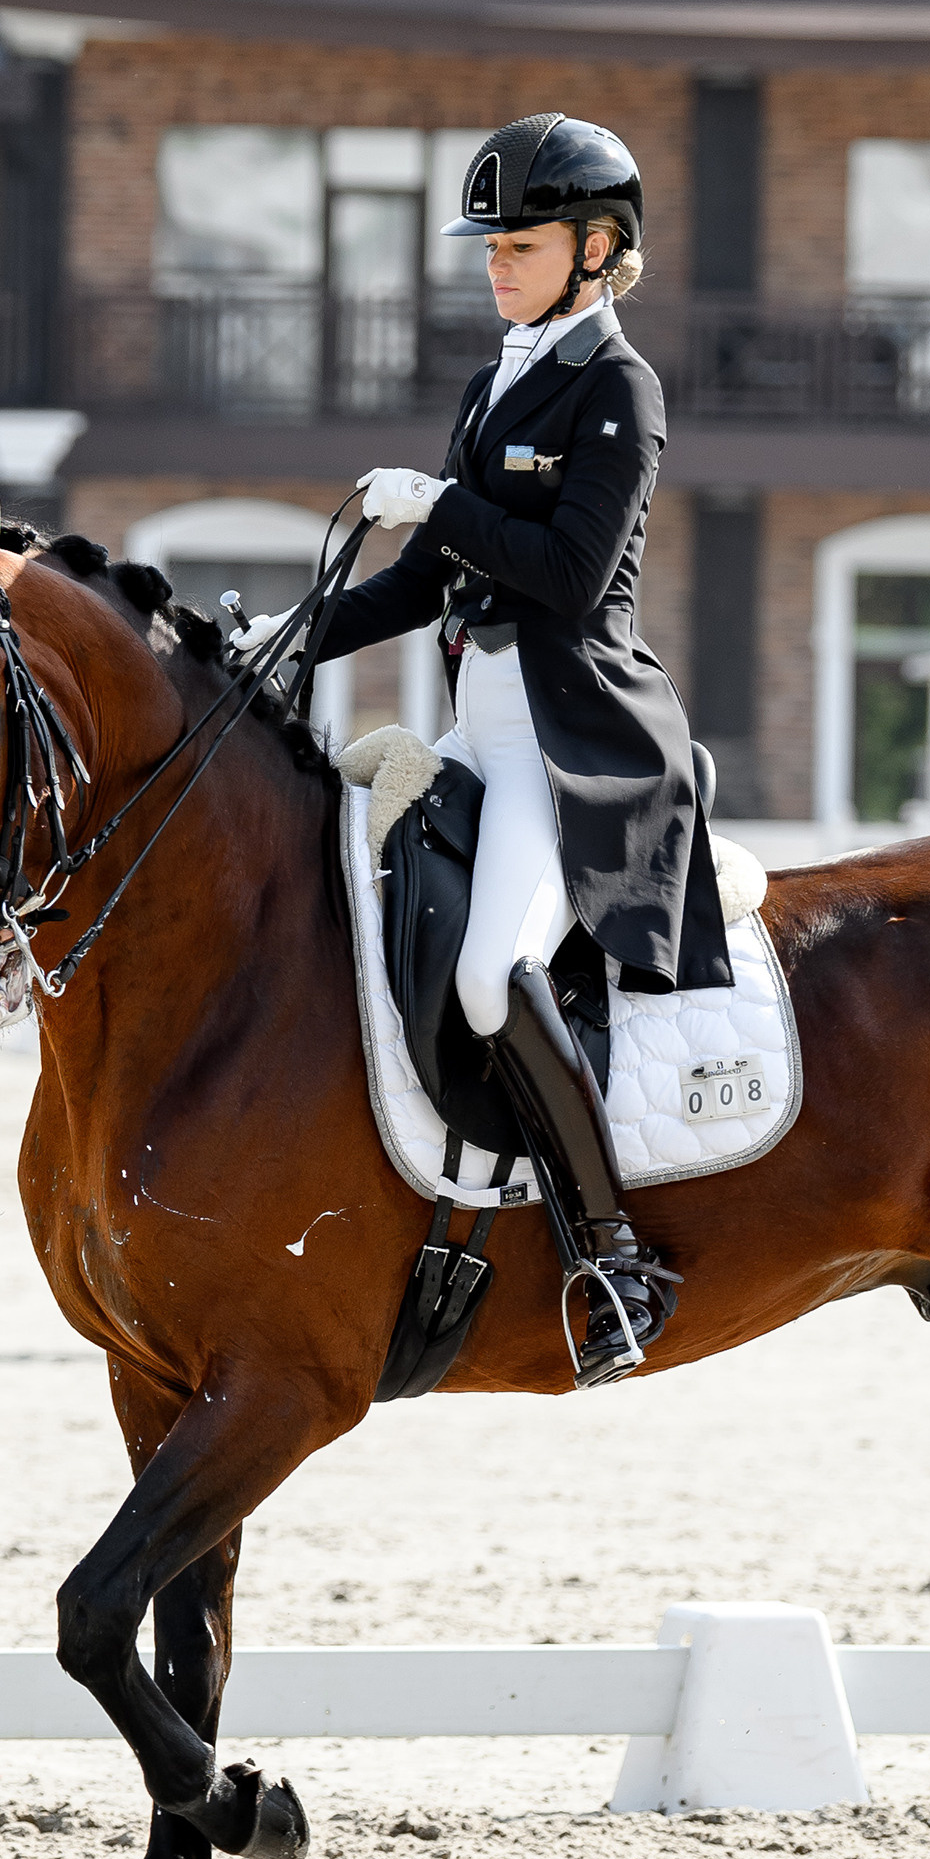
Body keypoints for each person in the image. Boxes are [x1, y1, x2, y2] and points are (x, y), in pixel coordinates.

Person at [237, 112, 729, 1386]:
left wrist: (447, 502)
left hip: (571, 742)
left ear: (598, 246)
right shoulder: (494, 383)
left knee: (491, 976)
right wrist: (294, 640)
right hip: (477, 724)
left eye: (521, 243)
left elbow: (567, 576)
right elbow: (421, 586)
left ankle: (613, 1259)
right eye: (490, 245)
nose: (496, 264)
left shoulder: (618, 388)